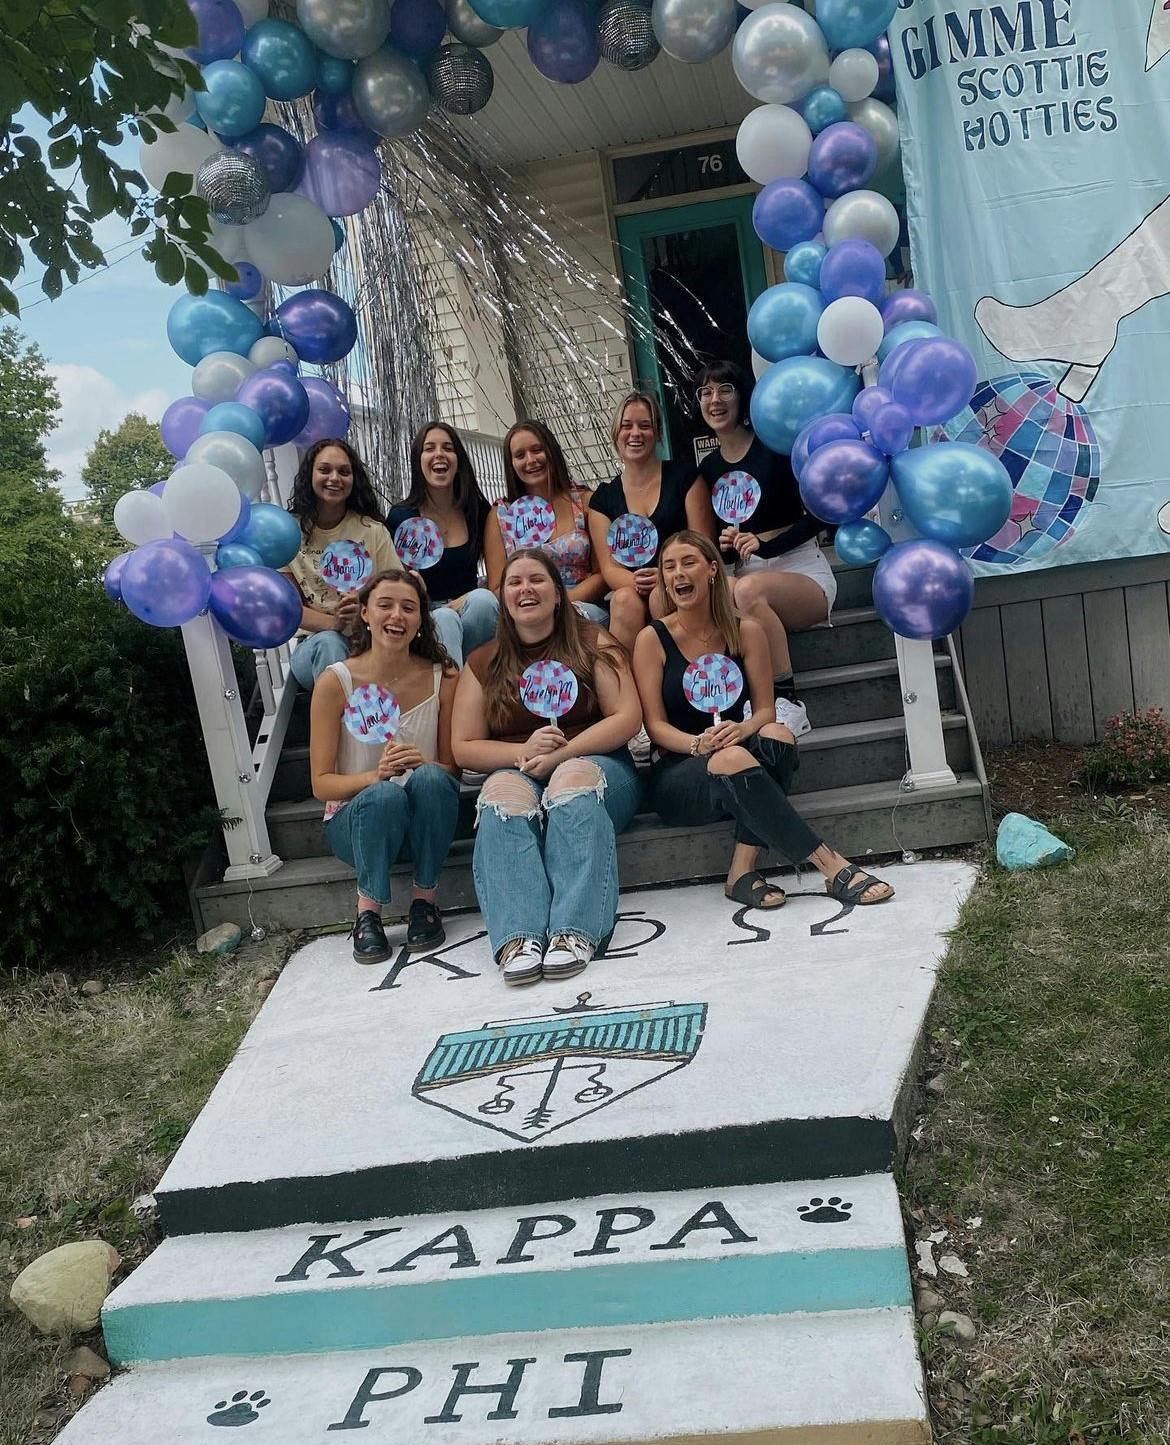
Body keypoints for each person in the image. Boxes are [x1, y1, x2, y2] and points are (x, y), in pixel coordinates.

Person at [633, 531, 893, 912]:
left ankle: (741, 870)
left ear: (710, 571)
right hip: (678, 772)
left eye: (688, 563)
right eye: (668, 567)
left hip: (736, 752)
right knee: (734, 759)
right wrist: (697, 744)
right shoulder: (651, 640)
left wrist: (742, 729)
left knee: (778, 735)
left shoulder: (747, 631)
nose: (677, 575)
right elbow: (654, 726)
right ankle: (831, 864)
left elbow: (765, 711)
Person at [452, 548, 643, 986]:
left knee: (570, 781)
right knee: (500, 795)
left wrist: (562, 752)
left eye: (537, 580)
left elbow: (626, 718)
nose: (525, 589)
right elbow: (463, 747)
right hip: (520, 765)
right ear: (502, 598)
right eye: (514, 582)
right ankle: (520, 937)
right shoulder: (484, 661)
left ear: (558, 594)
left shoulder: (593, 640)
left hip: (598, 767)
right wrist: (521, 754)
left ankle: (575, 931)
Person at [310, 568, 462, 963]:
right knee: (381, 796)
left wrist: (424, 761)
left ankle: (424, 902)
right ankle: (368, 915)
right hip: (356, 821)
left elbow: (452, 770)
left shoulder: (443, 677)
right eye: (386, 605)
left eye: (409, 608)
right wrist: (374, 776)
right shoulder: (335, 682)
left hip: (423, 819)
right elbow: (321, 785)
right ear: (365, 613)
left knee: (430, 777)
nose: (397, 616)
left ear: (420, 621)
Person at [695, 360, 836, 738]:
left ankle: (787, 701)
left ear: (743, 397)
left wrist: (766, 543)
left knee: (747, 590)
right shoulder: (708, 469)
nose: (715, 400)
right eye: (706, 392)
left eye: (725, 389)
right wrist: (727, 547)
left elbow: (821, 515)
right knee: (723, 591)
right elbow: (726, 555)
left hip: (801, 570)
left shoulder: (775, 449)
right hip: (747, 581)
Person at [587, 389, 717, 651]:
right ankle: (626, 686)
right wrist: (636, 581)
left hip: (684, 580)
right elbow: (609, 568)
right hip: (632, 586)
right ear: (616, 434)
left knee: (662, 596)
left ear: (657, 433)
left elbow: (703, 545)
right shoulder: (603, 499)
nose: (635, 433)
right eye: (627, 426)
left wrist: (666, 577)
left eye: (645, 426)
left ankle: (683, 674)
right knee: (623, 601)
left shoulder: (685, 478)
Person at [285, 438, 401, 689]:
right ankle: (342, 726)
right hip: (315, 644)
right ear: (309, 475)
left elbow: (396, 591)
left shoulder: (372, 531)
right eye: (325, 470)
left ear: (354, 479)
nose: (335, 478)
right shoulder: (286, 533)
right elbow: (289, 609)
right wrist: (333, 624)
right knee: (330, 643)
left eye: (344, 472)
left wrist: (362, 602)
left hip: (367, 639)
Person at [387, 422, 498, 666]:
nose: (439, 454)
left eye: (448, 448)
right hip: (424, 616)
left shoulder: (478, 511)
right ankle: (458, 698)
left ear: (458, 460)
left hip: (472, 608)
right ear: (418, 461)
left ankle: (470, 684)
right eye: (429, 448)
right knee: (445, 618)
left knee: (484, 601)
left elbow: (497, 581)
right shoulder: (401, 517)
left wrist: (456, 604)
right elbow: (395, 588)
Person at [485, 419, 608, 624]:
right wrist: (536, 608)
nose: (531, 460)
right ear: (511, 464)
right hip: (525, 612)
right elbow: (497, 587)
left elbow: (602, 573)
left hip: (578, 606)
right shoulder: (500, 515)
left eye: (537, 450)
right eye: (520, 455)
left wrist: (559, 604)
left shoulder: (584, 502)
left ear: (552, 451)